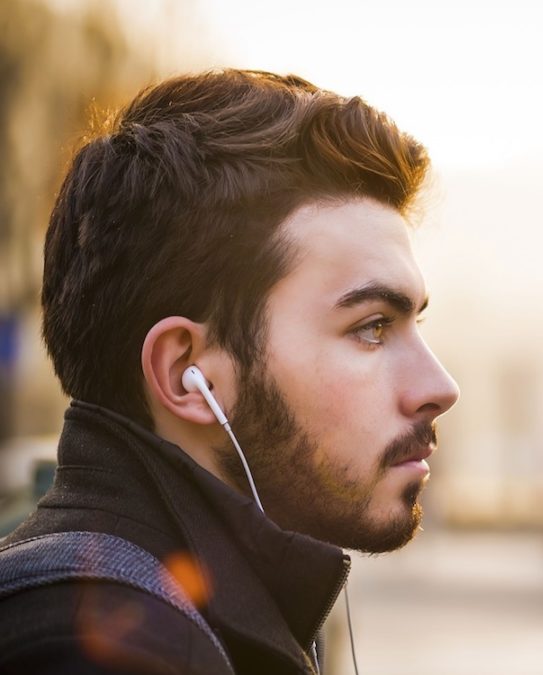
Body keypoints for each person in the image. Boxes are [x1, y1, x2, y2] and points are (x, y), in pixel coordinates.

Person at [0, 69, 459, 674]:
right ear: (188, 373)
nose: (439, 388)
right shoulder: (106, 649)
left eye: (413, 325)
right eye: (371, 326)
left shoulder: (188, 617)